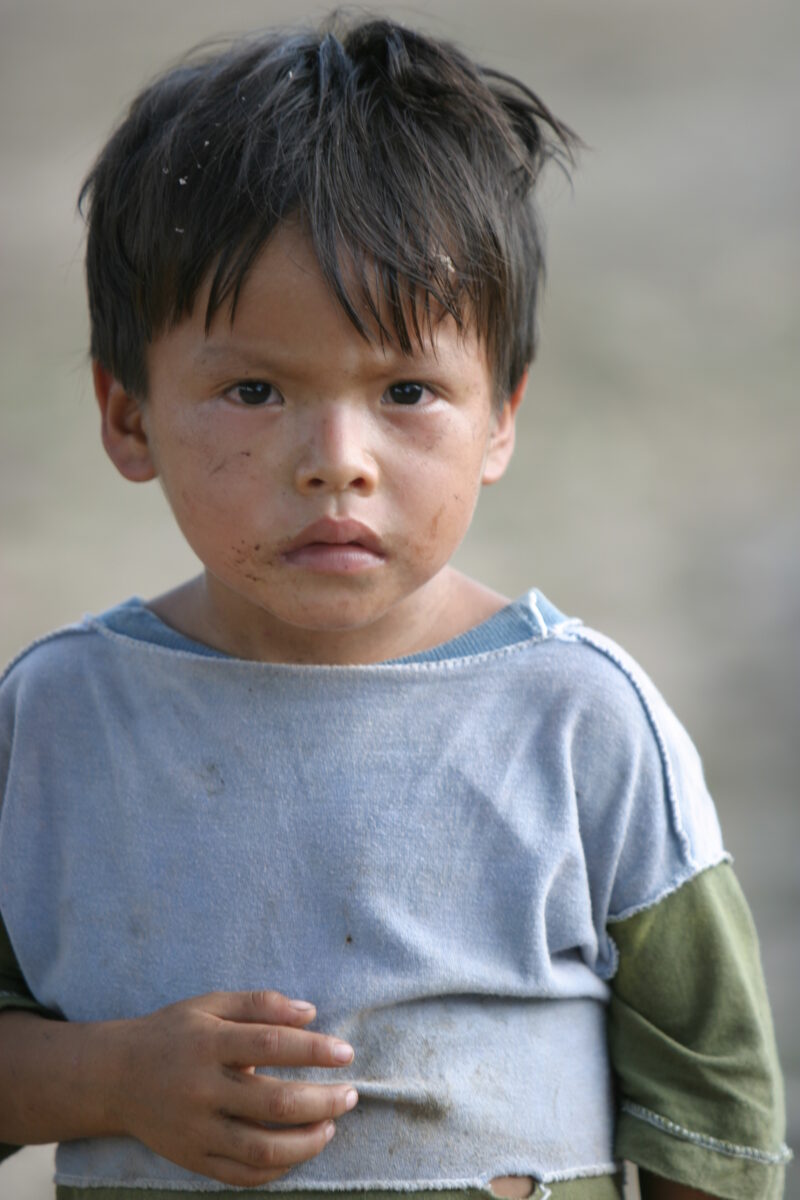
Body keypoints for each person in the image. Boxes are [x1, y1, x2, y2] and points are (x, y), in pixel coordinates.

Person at [0, 15, 790, 1200]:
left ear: (500, 419)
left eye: (408, 389)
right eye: (254, 389)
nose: (335, 460)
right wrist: (112, 1082)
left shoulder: (578, 720)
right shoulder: (60, 719)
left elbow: (712, 1112)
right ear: (128, 417)